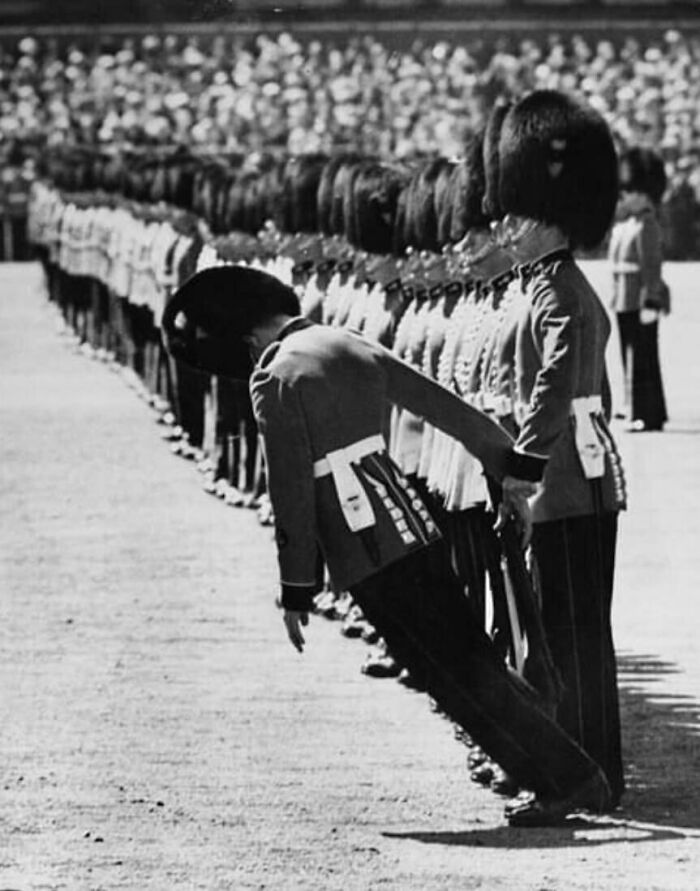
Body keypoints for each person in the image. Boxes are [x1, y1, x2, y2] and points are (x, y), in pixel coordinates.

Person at [162, 262, 613, 826]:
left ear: (246, 337)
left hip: (363, 547)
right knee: (471, 659)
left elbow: (293, 494)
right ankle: (573, 774)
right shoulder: (344, 340)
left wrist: (297, 586)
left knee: (451, 677)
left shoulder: (273, 376)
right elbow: (448, 409)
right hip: (411, 521)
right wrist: (511, 469)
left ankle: (563, 781)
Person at [495, 89, 627, 810]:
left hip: (567, 483)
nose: (507, 229)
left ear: (548, 217)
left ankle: (579, 778)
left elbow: (552, 391)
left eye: (518, 214)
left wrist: (521, 469)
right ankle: (590, 772)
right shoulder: (551, 286)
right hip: (571, 480)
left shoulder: (561, 294)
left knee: (570, 637)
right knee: (570, 633)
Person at [608, 146, 669, 431]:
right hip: (624, 300)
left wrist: (652, 301)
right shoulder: (627, 225)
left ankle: (648, 412)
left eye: (630, 191)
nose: (625, 197)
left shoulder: (647, 225)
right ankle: (633, 405)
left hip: (640, 301)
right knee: (629, 358)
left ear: (644, 193)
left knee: (644, 360)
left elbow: (651, 267)